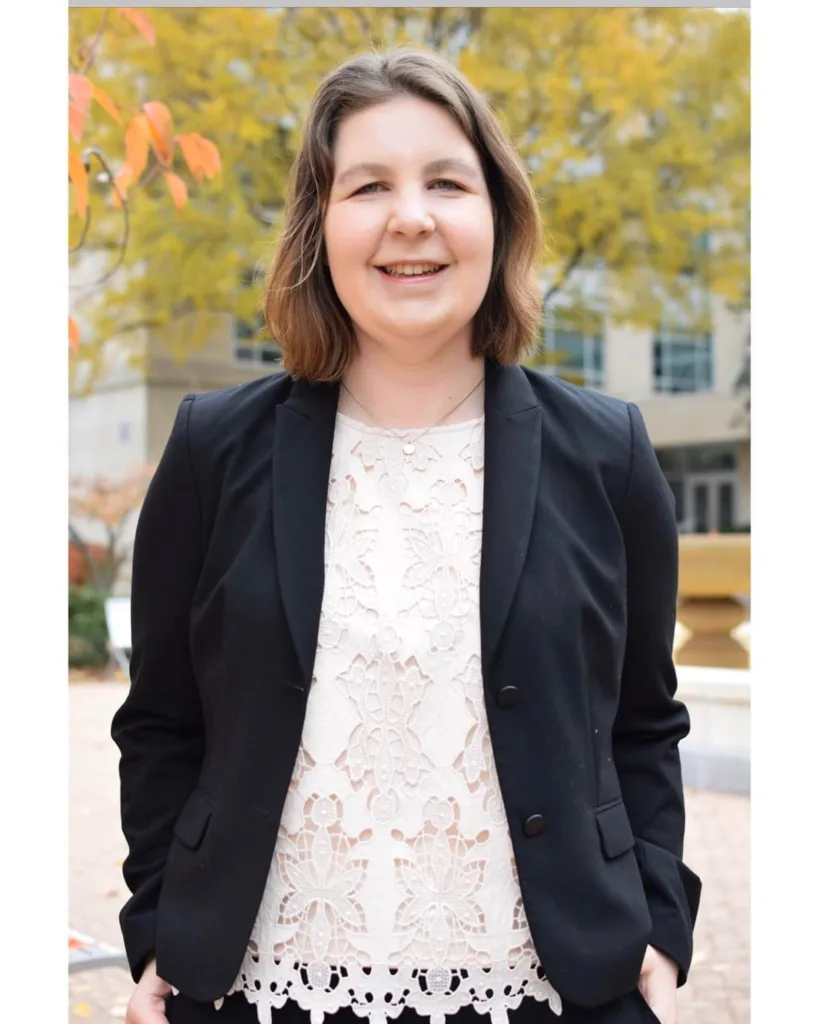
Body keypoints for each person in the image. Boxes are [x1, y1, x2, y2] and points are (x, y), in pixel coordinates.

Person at [113, 48, 701, 1024]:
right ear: (320, 225)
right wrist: (157, 931)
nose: (410, 216)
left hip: (553, 990)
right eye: (368, 185)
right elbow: (163, 721)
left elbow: (644, 719)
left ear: (498, 215)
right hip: (258, 990)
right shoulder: (213, 448)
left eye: (446, 181)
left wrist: (663, 934)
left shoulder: (608, 453)